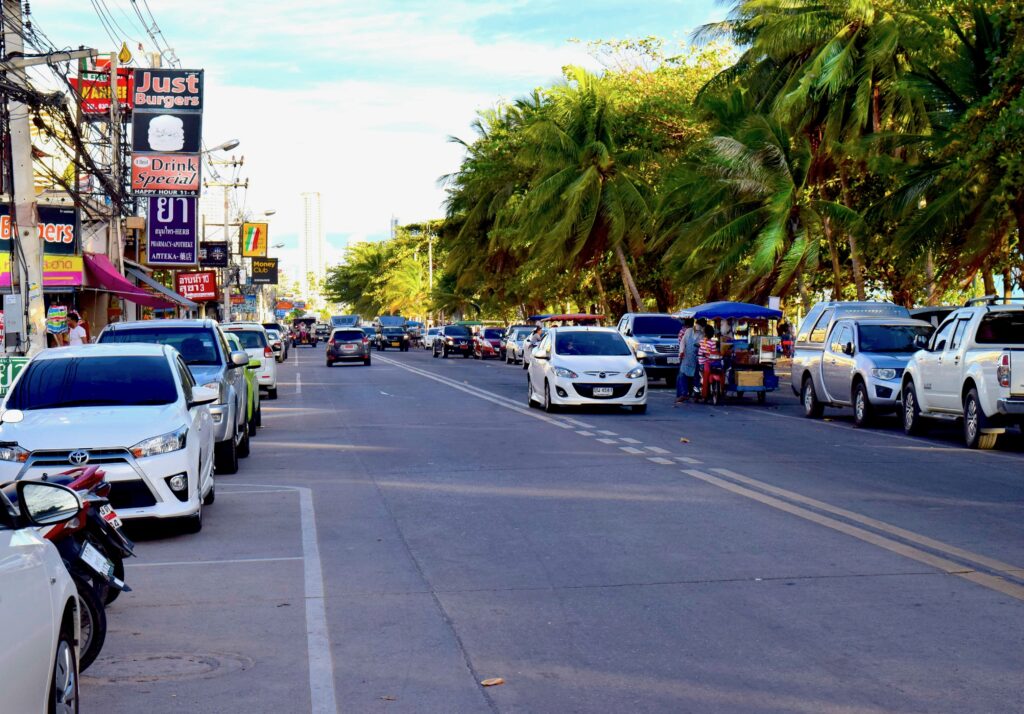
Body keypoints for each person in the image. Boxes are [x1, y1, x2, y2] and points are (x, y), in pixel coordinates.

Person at [675, 318, 700, 404]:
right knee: (682, 375)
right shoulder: (688, 331)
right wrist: (681, 352)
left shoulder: (703, 334)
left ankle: (696, 395)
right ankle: (683, 394)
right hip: (686, 357)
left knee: (696, 378)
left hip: (696, 359)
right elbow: (682, 342)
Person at [698, 324, 717, 401]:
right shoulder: (713, 343)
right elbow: (714, 353)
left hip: (701, 364)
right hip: (710, 364)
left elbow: (700, 351)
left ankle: (703, 392)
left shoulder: (701, 341)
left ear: (704, 333)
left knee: (702, 378)